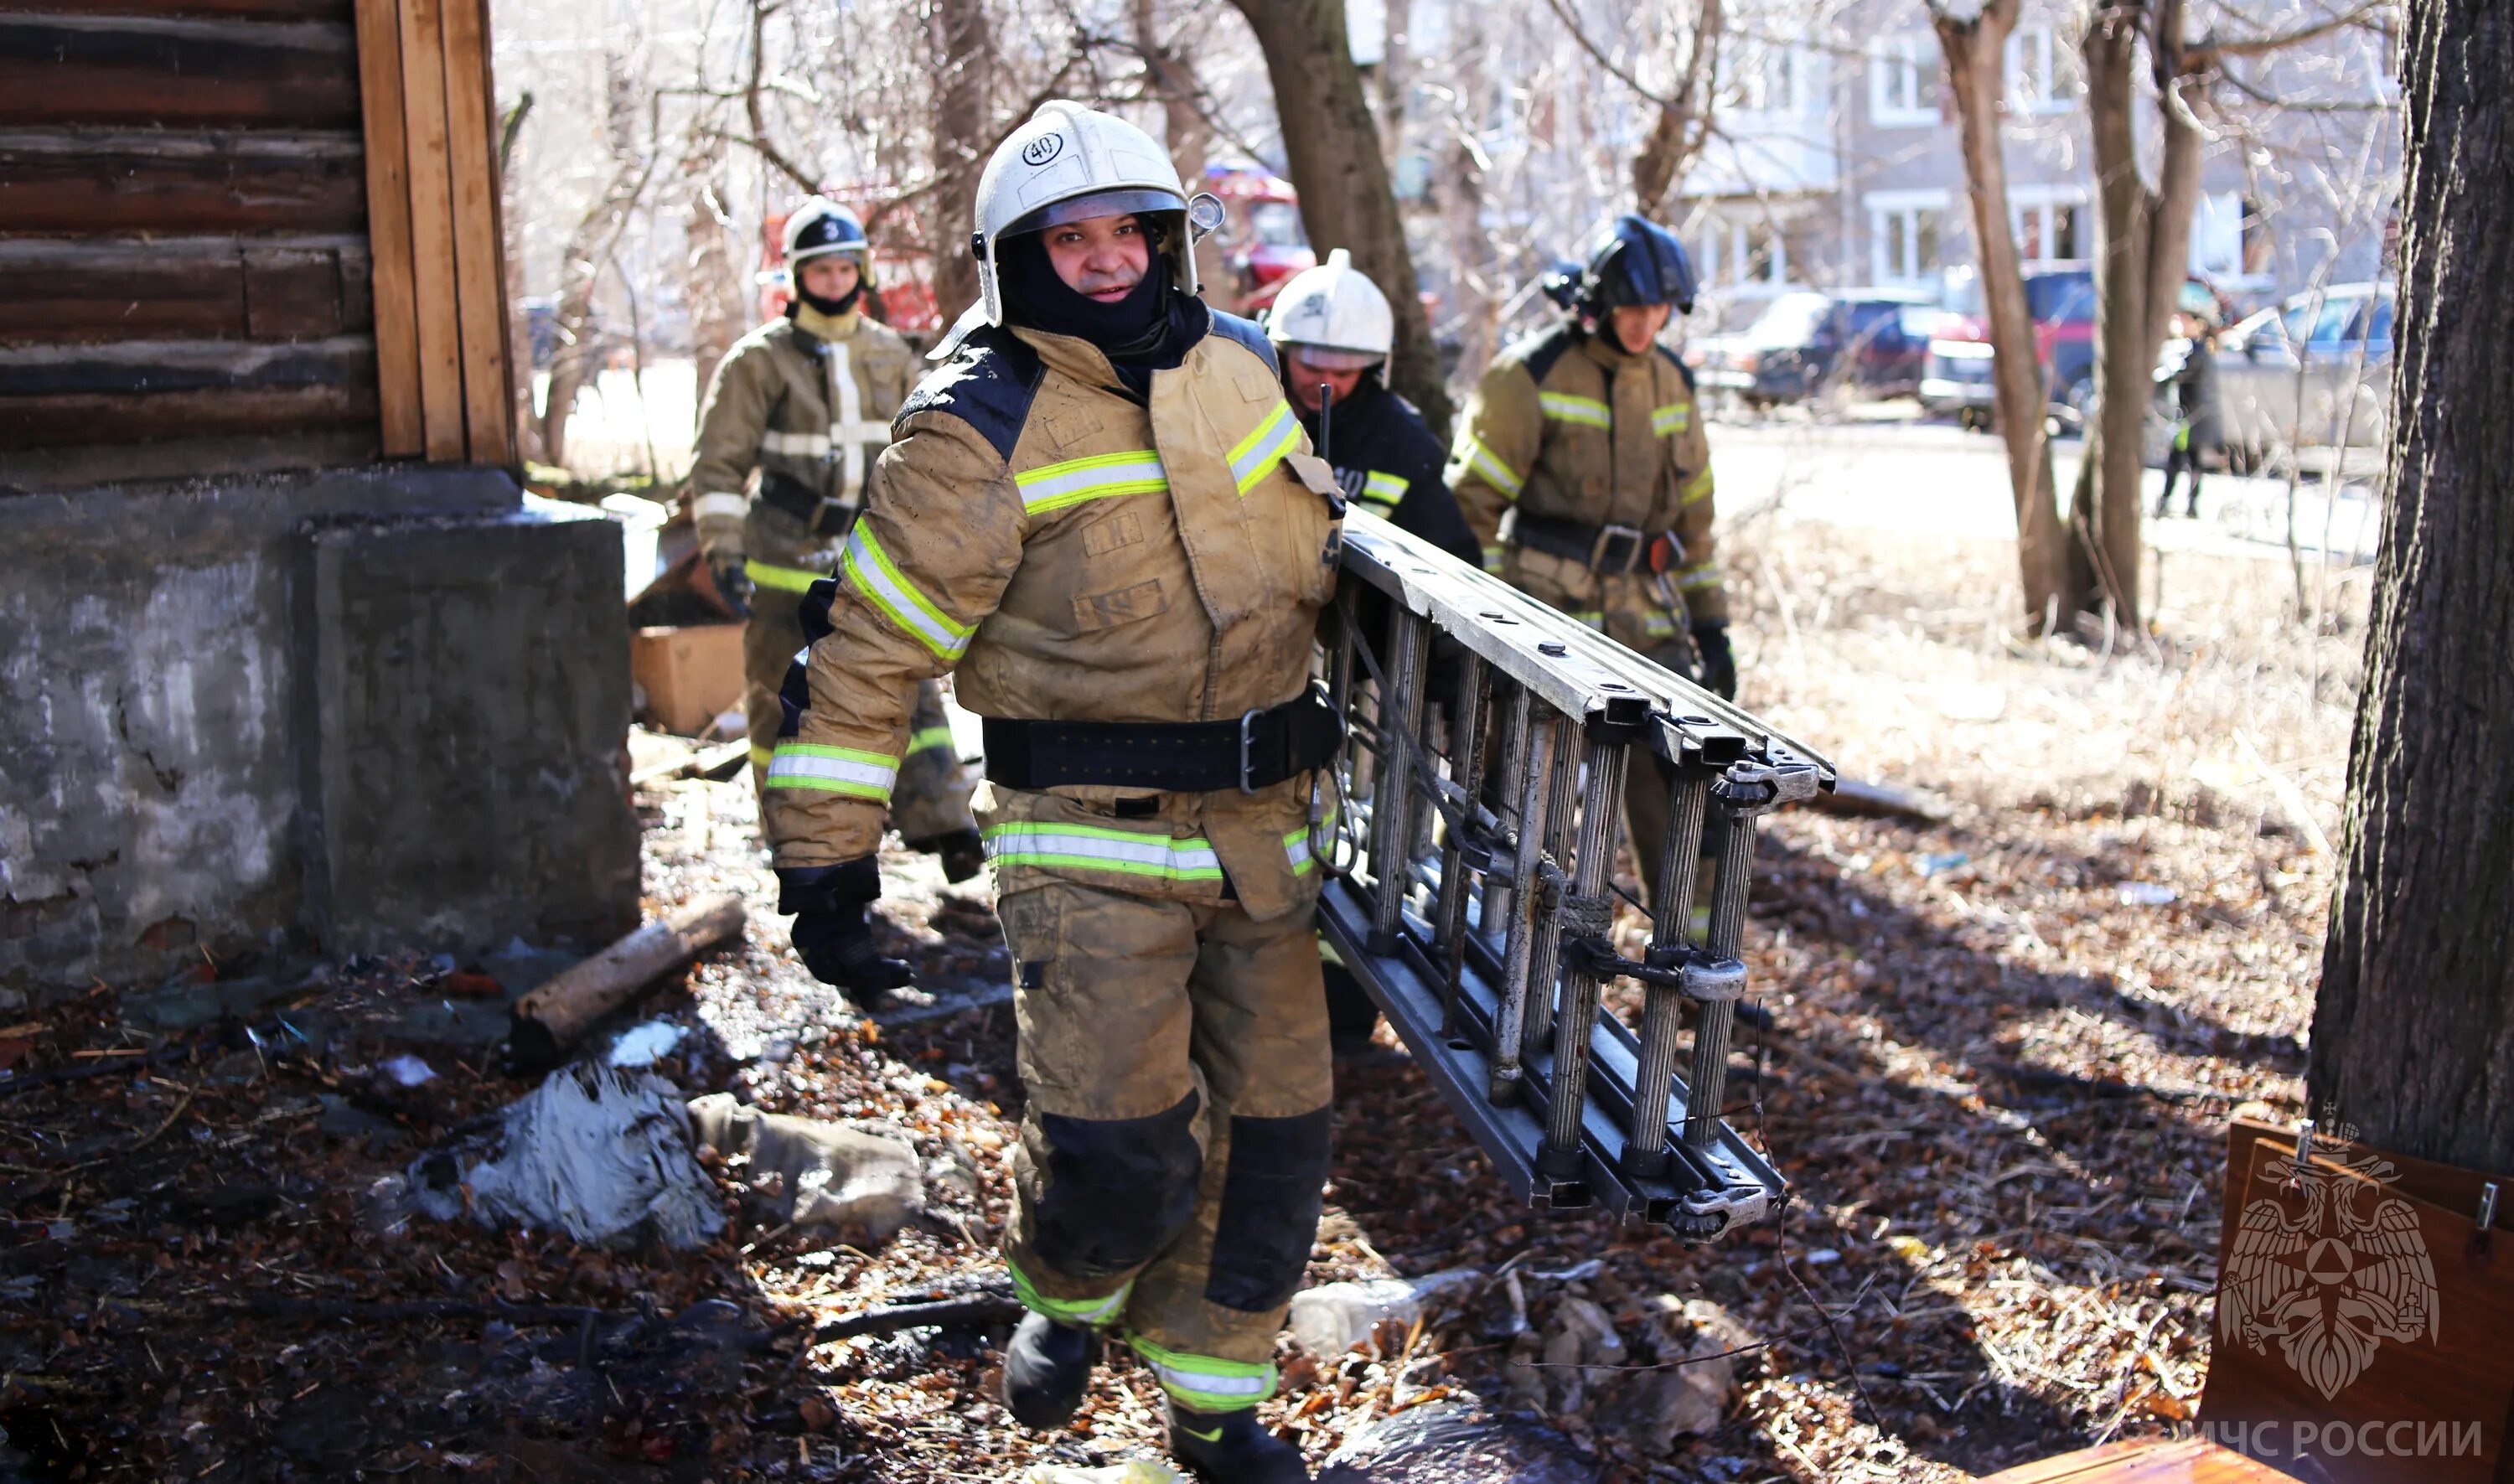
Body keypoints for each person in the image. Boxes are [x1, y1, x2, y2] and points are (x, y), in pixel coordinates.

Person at [762, 102, 1338, 1484]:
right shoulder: (978, 419)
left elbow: (1325, 554)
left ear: (1164, 239)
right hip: (1091, 853)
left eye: (1124, 232)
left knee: (1272, 1159)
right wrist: (826, 871)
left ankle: (1211, 1409)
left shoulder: (1244, 366)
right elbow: (863, 657)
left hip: (1269, 850)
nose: (1101, 260)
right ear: (1019, 259)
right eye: (1067, 239)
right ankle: (1068, 1296)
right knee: (1118, 1157)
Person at [684, 196, 982, 884]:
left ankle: (941, 820)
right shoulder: (759, 361)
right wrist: (724, 552)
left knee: (907, 689)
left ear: (864, 270)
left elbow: (929, 456)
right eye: (819, 270)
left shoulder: (889, 353)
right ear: (796, 277)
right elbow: (719, 466)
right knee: (781, 701)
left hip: (870, 559)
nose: (834, 279)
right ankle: (797, 841)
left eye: (845, 266)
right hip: (784, 562)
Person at [1447, 214, 1734, 916]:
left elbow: (1695, 519)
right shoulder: (1530, 373)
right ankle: (1499, 942)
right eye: (1632, 309)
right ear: (1601, 304)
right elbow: (1470, 511)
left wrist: (1713, 628)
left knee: (1682, 786)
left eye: (1658, 311)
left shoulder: (1674, 381)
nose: (1645, 326)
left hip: (1647, 616)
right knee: (1521, 786)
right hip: (1544, 615)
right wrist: (1480, 629)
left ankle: (1687, 960)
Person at [1265, 247, 1480, 1052]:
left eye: (1347, 371)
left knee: (1355, 832)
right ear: (1278, 347)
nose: (1326, 384)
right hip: (1253, 659)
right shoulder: (1238, 408)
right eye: (1310, 365)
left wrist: (1456, 697)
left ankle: (1341, 1003)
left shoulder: (1401, 443)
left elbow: (1454, 568)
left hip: (1364, 674)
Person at [2155, 310, 2222, 520]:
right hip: (2192, 418)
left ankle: (2172, 501)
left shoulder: (2198, 351)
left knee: (2178, 460)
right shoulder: (2197, 350)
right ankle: (2187, 504)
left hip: (2191, 419)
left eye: (2183, 320)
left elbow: (2179, 375)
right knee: (2190, 461)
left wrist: (2159, 375)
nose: (2178, 324)